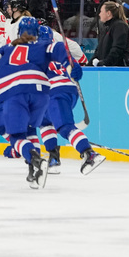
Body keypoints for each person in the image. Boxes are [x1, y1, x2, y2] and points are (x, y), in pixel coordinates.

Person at [0, 16, 53, 189]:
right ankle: (33, 171)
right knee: (31, 130)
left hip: (15, 95)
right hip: (40, 95)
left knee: (16, 136)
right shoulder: (43, 48)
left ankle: (34, 159)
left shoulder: (6, 48)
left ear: (19, 31)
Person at [37, 26, 104, 176]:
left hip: (55, 93)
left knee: (65, 127)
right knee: (45, 121)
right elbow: (74, 66)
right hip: (65, 91)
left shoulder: (34, 53)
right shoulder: (57, 50)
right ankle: (53, 158)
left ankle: (88, 153)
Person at [96, 1, 129, 66]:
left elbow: (117, 49)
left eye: (101, 11)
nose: (99, 14)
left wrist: (106, 63)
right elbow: (98, 50)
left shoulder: (120, 26)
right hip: (107, 67)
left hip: (117, 69)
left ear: (108, 13)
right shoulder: (107, 27)